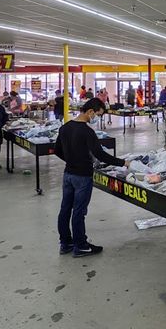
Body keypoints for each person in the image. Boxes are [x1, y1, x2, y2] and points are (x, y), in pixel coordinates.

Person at [54, 98, 129, 257]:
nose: (97, 118)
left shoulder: (65, 127)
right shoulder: (87, 131)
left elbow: (57, 150)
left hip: (68, 174)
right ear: (90, 111)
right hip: (82, 176)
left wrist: (71, 160)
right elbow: (100, 155)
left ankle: (65, 243)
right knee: (79, 212)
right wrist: (123, 162)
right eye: (98, 115)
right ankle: (81, 246)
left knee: (65, 209)